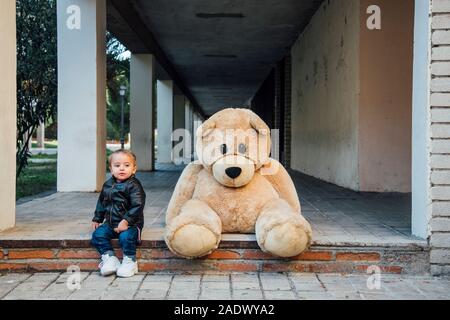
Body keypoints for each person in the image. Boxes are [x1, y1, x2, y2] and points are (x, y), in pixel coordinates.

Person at [90, 149, 146, 277]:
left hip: (131, 223)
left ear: (134, 169)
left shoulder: (134, 186)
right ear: (111, 168)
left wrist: (126, 221)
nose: (122, 168)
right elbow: (102, 202)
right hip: (111, 222)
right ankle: (110, 258)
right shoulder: (108, 185)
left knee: (125, 238)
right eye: (117, 165)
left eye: (127, 165)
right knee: (98, 234)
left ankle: (130, 261)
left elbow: (138, 205)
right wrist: (97, 218)